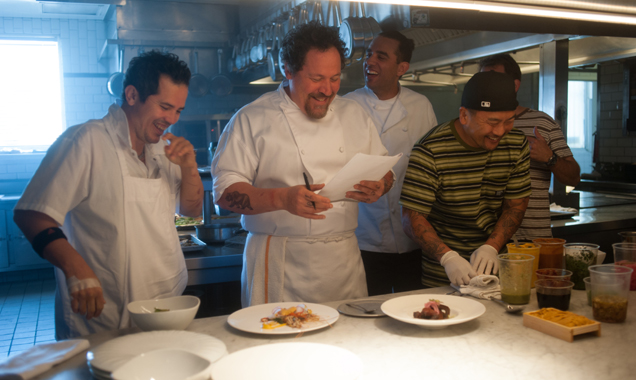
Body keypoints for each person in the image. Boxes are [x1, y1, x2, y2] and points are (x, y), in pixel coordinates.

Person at [13, 51, 203, 340]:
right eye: (165, 106)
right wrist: (77, 269)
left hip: (165, 302)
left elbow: (190, 211)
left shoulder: (164, 149)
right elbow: (31, 214)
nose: (171, 119)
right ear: (131, 95)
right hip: (105, 312)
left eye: (178, 110)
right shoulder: (86, 141)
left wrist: (190, 167)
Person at [211, 21, 393, 307]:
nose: (327, 89)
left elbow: (386, 168)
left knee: (346, 344)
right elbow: (224, 193)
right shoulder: (252, 118)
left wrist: (381, 185)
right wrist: (282, 198)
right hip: (281, 260)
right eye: (317, 78)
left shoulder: (354, 113)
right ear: (288, 70)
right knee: (281, 346)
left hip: (343, 260)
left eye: (335, 78)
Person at [400, 71, 531, 287]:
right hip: (443, 275)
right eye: (492, 122)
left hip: (494, 271)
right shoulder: (431, 150)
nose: (500, 131)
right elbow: (412, 218)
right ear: (464, 116)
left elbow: (516, 205)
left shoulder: (516, 144)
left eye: (509, 121)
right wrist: (448, 258)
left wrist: (492, 247)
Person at [344, 31, 437, 296]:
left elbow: (432, 167)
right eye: (369, 53)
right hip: (364, 236)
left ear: (402, 68)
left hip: (412, 237)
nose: (369, 60)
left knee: (414, 309)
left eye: (380, 56)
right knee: (369, 313)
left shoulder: (420, 105)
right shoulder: (346, 106)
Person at [479, 53, 581, 240]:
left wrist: (549, 157)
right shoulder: (472, 124)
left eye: (494, 78)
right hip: (483, 239)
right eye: (482, 79)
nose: (487, 84)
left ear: (515, 85)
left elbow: (573, 177)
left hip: (533, 238)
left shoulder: (541, 123)